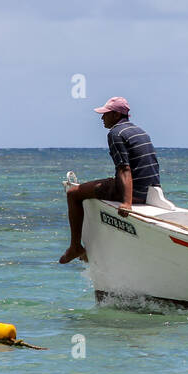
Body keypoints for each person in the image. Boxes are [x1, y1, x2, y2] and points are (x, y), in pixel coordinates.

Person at [59, 96, 161, 264]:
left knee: (73, 193)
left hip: (133, 192)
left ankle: (75, 246)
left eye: (105, 113)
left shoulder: (115, 133)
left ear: (115, 115)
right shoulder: (140, 131)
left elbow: (124, 168)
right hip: (148, 191)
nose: (102, 117)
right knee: (102, 183)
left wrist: (127, 203)